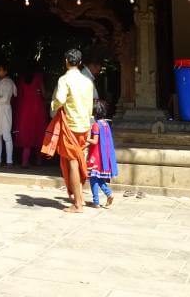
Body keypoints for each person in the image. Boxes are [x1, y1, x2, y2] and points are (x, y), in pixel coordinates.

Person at [42, 48, 94, 212]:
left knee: (72, 162)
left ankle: (78, 204)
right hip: (84, 125)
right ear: (80, 63)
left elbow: (59, 99)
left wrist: (53, 106)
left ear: (66, 61)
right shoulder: (88, 81)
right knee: (79, 161)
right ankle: (81, 198)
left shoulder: (64, 79)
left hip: (70, 125)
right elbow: (90, 106)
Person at [86, 100, 119, 208]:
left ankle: (96, 202)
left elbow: (95, 141)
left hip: (95, 156)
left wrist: (86, 139)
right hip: (103, 156)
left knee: (93, 179)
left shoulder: (96, 125)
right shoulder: (106, 124)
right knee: (98, 178)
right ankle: (108, 193)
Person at [13, 64, 48, 167]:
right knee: (38, 132)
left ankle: (24, 161)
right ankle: (38, 160)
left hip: (25, 108)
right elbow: (44, 93)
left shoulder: (22, 79)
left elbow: (19, 95)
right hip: (37, 108)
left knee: (26, 132)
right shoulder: (38, 77)